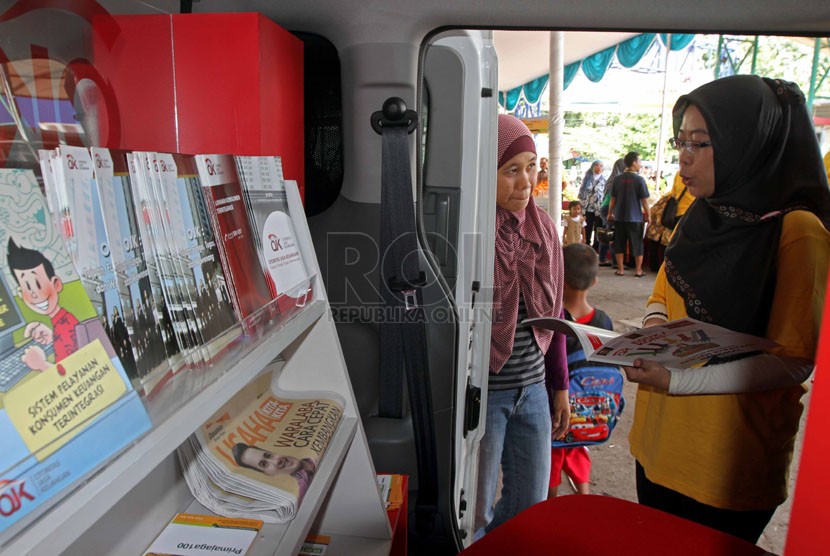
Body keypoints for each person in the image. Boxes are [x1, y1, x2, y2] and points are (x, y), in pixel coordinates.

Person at [625, 75, 830, 543]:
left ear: (749, 144)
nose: (684, 156)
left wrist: (680, 378)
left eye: (701, 142)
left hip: (724, 467)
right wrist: (653, 332)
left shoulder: (798, 232)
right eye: (681, 140)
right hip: (657, 445)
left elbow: (794, 360)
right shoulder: (701, 213)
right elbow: (662, 293)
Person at [474, 114, 570, 539]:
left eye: (531, 166)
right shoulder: (470, 231)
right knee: (470, 507)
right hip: (484, 395)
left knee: (531, 502)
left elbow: (556, 313)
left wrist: (560, 385)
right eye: (511, 170)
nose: (526, 181)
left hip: (532, 389)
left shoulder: (545, 229)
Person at [548, 243, 617, 498]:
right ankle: (584, 503)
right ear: (595, 281)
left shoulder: (556, 322)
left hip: (557, 411)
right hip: (591, 413)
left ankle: (549, 509)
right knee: (578, 453)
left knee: (551, 459)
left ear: (559, 278)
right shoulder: (604, 320)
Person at [8, 237, 79, 373]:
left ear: (56, 284)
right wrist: (53, 336)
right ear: (21, 294)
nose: (34, 294)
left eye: (38, 284)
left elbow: (70, 374)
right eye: (27, 286)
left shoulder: (66, 325)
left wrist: (41, 364)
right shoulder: (62, 321)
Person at [608, 151, 650, 277]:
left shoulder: (617, 179)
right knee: (637, 244)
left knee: (619, 243)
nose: (641, 165)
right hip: (635, 218)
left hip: (619, 216)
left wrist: (610, 213)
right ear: (633, 163)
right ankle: (638, 270)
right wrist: (649, 215)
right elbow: (644, 200)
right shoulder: (639, 180)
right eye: (639, 162)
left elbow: (613, 199)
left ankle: (620, 269)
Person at [232, 442, 318, 502]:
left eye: (269, 455)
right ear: (267, 473)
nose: (276, 461)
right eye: (264, 464)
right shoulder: (303, 493)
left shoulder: (314, 455)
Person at [597, 158, 625, 267]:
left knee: (606, 233)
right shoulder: (617, 180)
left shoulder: (612, 178)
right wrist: (611, 212)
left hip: (605, 207)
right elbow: (613, 198)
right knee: (612, 234)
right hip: (609, 208)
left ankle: (602, 258)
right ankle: (615, 261)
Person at [578, 160, 606, 248]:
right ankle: (587, 246)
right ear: (593, 167)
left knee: (598, 228)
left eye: (601, 166)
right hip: (587, 208)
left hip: (599, 209)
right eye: (597, 166)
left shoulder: (604, 180)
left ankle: (596, 247)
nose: (599, 168)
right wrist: (582, 210)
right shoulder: (587, 179)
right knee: (587, 228)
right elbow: (582, 195)